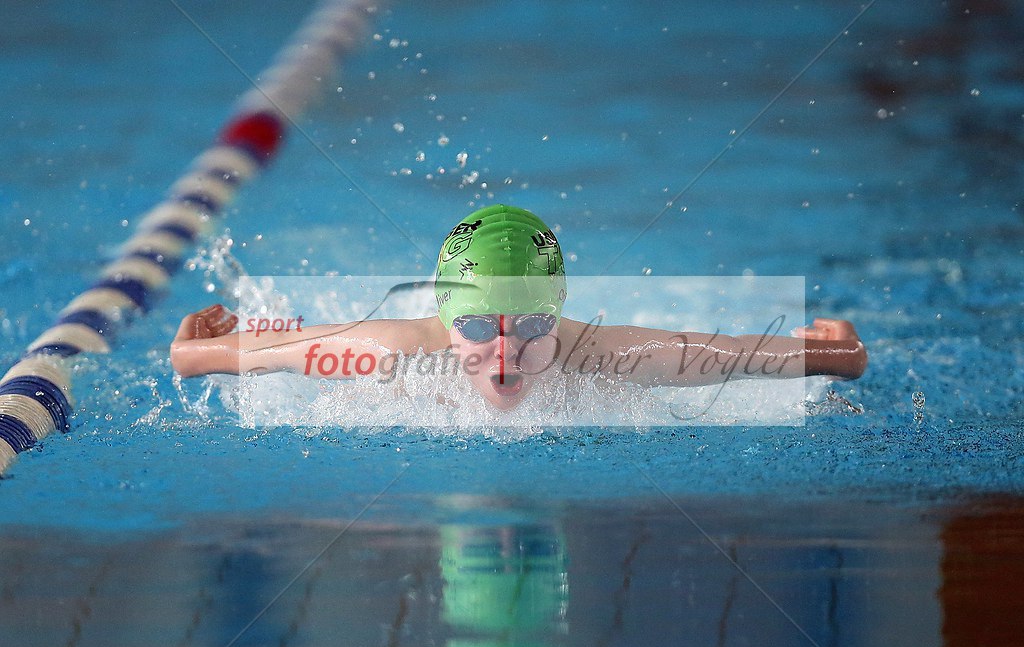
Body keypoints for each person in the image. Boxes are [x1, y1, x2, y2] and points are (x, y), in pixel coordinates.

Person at [170, 204, 867, 411]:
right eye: (480, 326)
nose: (505, 351)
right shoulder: (401, 347)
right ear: (450, 321)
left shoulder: (596, 352)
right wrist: (204, 347)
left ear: (557, 315)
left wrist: (829, 352)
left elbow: (726, 354)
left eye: (531, 326)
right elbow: (273, 350)